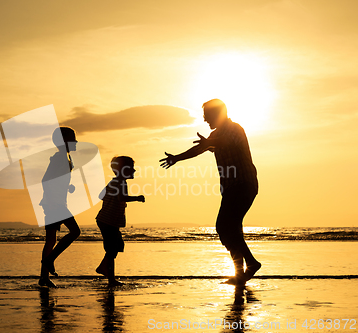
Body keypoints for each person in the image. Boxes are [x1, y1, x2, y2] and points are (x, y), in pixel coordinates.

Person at [160, 99, 261, 285]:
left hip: (243, 184)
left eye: (207, 115)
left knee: (224, 227)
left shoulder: (234, 129)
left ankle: (251, 263)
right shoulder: (215, 135)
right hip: (231, 188)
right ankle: (240, 273)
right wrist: (177, 158)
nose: (205, 119)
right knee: (231, 229)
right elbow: (199, 149)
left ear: (218, 114)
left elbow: (224, 142)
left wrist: (211, 141)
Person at [39, 126, 81, 288]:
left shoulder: (64, 158)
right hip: (55, 204)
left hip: (53, 203)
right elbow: (45, 180)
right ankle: (50, 260)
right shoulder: (60, 159)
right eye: (73, 140)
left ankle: (44, 277)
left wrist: (67, 187)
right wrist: (54, 198)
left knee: (51, 239)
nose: (76, 142)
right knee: (75, 231)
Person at [96, 156, 145, 286]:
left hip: (107, 220)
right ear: (124, 170)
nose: (134, 170)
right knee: (112, 249)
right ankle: (111, 279)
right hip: (108, 221)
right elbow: (121, 197)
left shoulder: (114, 182)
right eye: (132, 168)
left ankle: (103, 268)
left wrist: (109, 197)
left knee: (117, 246)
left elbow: (101, 195)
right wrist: (137, 198)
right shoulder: (121, 182)